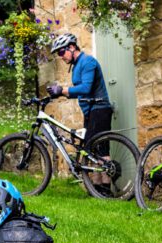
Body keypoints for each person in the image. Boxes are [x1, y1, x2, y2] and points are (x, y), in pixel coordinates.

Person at [48, 33, 113, 194]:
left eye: (62, 52)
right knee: (92, 150)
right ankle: (97, 188)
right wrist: (58, 92)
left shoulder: (88, 61)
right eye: (58, 54)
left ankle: (106, 187)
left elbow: (86, 88)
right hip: (91, 111)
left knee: (102, 150)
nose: (61, 57)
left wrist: (62, 90)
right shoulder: (77, 66)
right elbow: (78, 91)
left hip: (100, 108)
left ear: (71, 47)